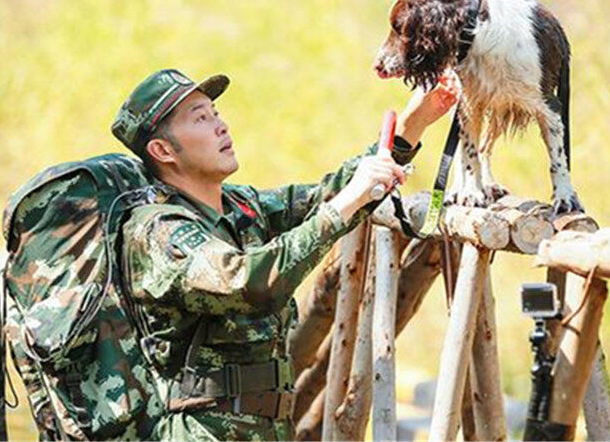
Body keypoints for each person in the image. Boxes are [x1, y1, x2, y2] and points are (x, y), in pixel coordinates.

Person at [110, 68, 458, 440]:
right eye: (200, 118)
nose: (221, 126)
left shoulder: (238, 205)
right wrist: (348, 201)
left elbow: (326, 195)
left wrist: (413, 122)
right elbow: (250, 283)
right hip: (203, 432)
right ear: (162, 151)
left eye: (215, 113)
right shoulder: (156, 231)